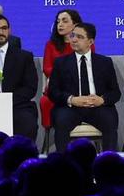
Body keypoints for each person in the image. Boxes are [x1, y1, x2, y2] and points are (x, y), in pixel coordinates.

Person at [48, 21, 120, 153]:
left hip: (97, 107)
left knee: (110, 120)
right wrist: (71, 99)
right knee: (61, 120)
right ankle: (63, 164)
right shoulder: (60, 63)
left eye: (80, 37)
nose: (74, 39)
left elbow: (115, 92)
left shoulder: (105, 62)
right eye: (73, 35)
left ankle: (108, 164)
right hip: (70, 108)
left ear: (90, 42)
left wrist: (102, 100)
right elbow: (53, 92)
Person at [40, 8, 83, 131]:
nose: (60, 24)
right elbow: (47, 68)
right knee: (46, 101)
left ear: (75, 24)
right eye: (58, 21)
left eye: (64, 21)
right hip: (57, 86)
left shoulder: (84, 43)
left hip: (79, 86)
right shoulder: (51, 45)